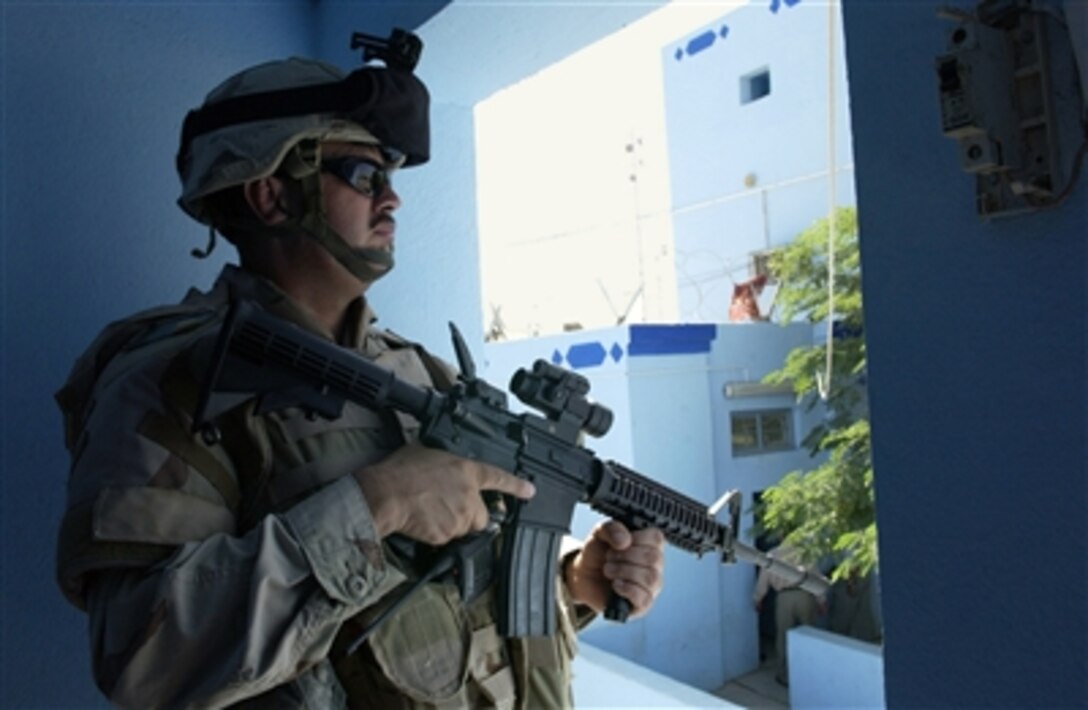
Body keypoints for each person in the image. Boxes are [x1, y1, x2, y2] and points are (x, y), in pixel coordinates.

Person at [54, 45, 666, 709]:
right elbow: (143, 657)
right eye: (363, 174)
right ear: (270, 194)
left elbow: (461, 594)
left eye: (390, 174)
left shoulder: (423, 372)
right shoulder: (175, 380)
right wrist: (378, 503)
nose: (393, 197)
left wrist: (574, 581)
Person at [752, 543, 824, 687]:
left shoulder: (772, 554)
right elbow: (816, 577)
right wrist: (821, 600)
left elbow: (763, 581)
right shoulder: (804, 552)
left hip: (784, 597)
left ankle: (784, 675)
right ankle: (810, 672)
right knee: (808, 634)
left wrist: (758, 599)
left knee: (783, 637)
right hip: (804, 595)